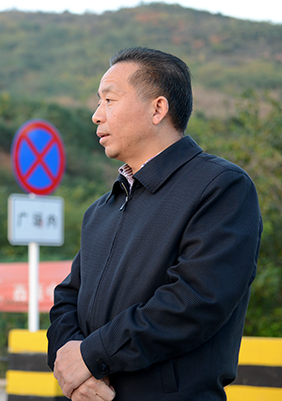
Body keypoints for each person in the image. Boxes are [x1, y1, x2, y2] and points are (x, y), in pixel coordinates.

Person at [47, 47, 262, 400]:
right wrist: (73, 366)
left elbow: (196, 301)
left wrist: (92, 356)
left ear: (158, 108)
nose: (96, 115)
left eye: (109, 100)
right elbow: (67, 299)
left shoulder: (221, 187)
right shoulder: (101, 209)